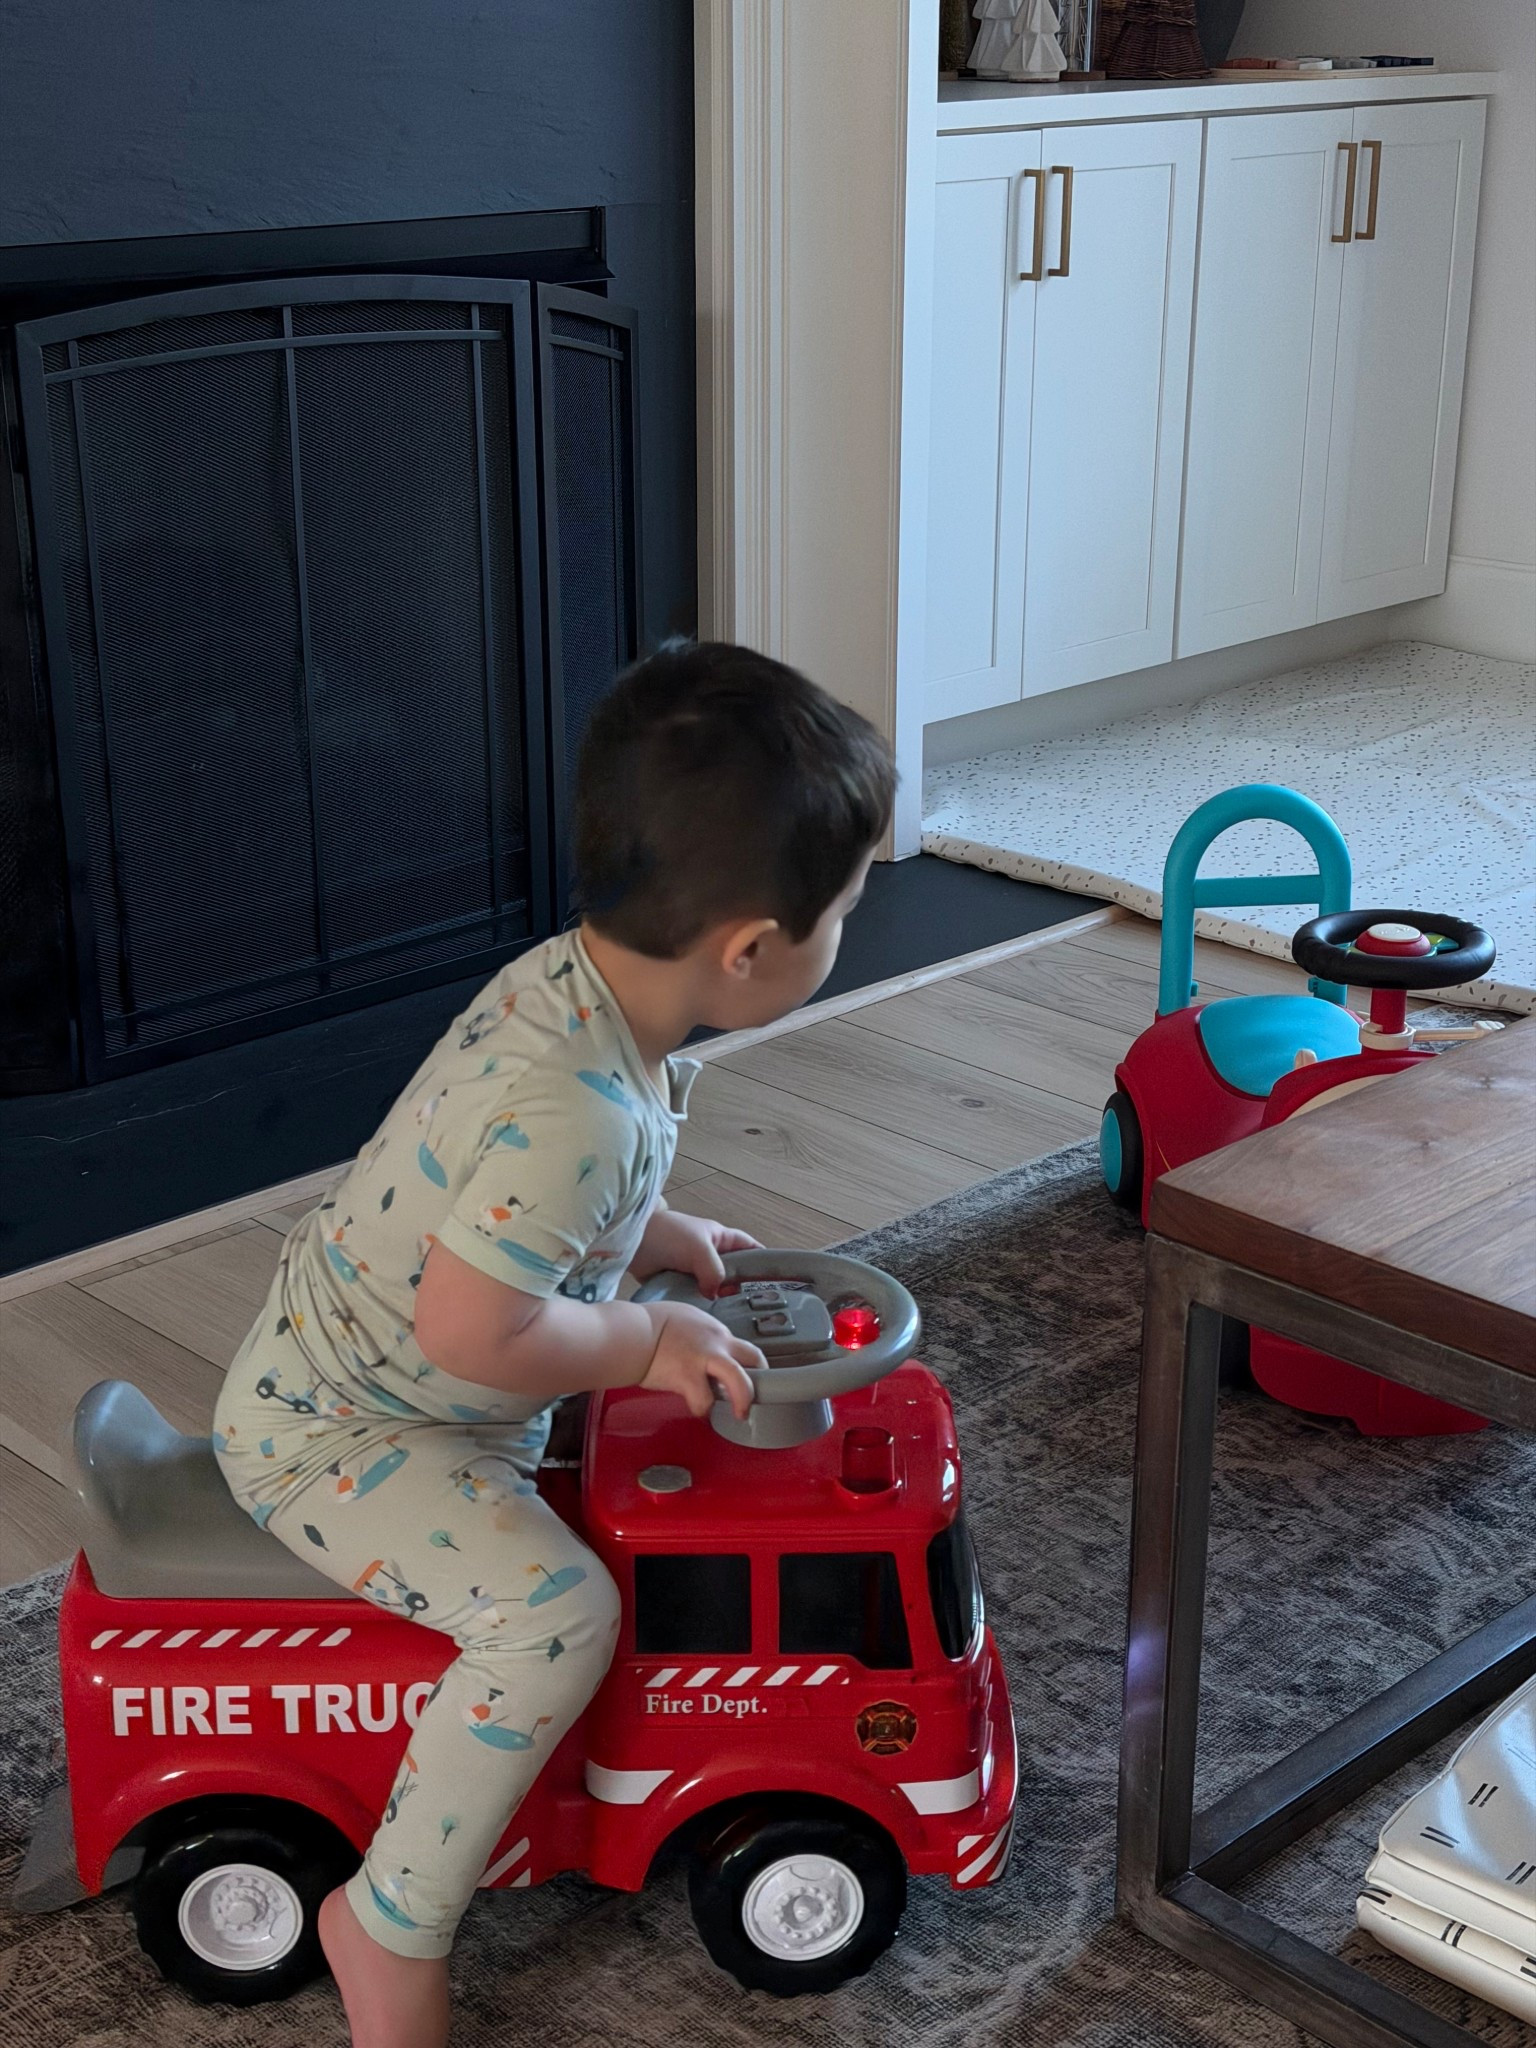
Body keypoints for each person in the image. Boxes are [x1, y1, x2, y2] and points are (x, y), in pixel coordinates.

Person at [213, 640, 896, 2048]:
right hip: (351, 1430)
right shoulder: (574, 1102)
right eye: (843, 911)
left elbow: (522, 1201)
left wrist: (652, 1233)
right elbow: (473, 1328)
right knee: (555, 1618)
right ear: (751, 952)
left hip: (400, 1372)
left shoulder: (585, 995)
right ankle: (388, 1920)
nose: (849, 931)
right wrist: (643, 1338)